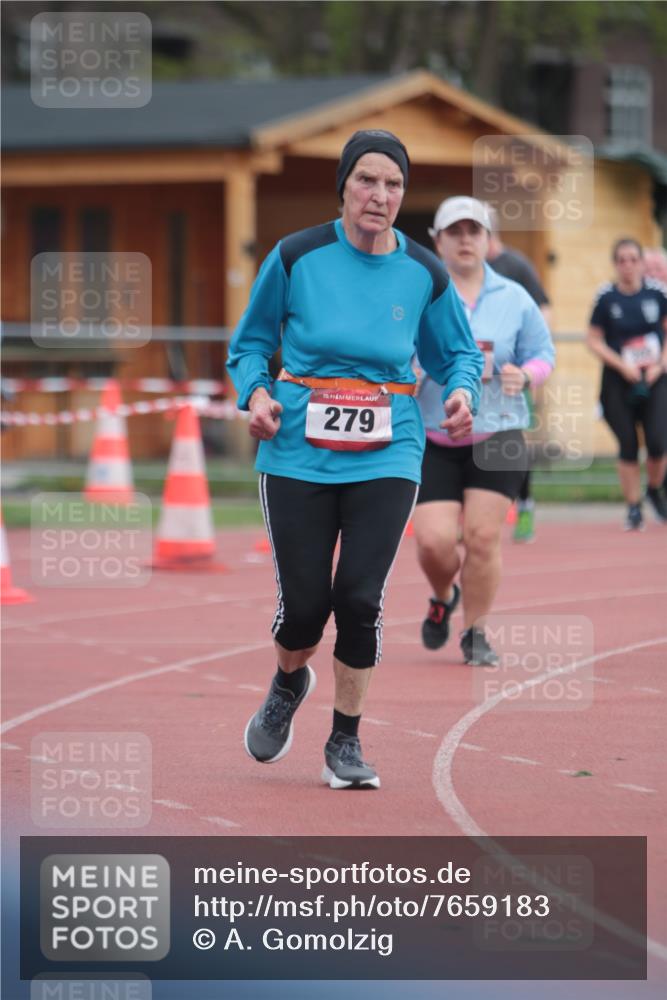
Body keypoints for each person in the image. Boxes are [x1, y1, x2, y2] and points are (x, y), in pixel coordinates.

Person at [226, 131, 483, 789]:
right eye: (367, 180)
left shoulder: (422, 272)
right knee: (306, 609)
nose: (379, 195)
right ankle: (288, 681)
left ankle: (345, 743)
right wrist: (255, 393)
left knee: (360, 598)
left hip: (388, 449)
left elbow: (458, 353)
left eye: (392, 184)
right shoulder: (296, 256)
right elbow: (250, 344)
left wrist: (459, 391)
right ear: (343, 186)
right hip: (295, 451)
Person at [414, 197, 555, 666]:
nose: (466, 240)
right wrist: (408, 373)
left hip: (498, 434)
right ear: (438, 241)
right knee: (433, 542)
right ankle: (442, 595)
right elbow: (394, 352)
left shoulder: (514, 297)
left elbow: (543, 353)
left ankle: (475, 633)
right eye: (455, 232)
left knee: (481, 537)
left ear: (489, 239)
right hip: (434, 433)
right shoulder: (421, 294)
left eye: (475, 231)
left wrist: (527, 375)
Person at [586, 238, 667, 530]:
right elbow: (593, 339)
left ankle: (654, 489)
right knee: (628, 443)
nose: (628, 265)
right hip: (619, 380)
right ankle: (633, 507)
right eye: (622, 259)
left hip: (655, 378)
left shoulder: (657, 294)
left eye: (633, 259)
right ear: (615, 264)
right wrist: (622, 365)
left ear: (642, 263)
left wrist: (659, 366)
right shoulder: (607, 298)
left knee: (658, 441)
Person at [485, 205, 552, 543]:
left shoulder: (515, 266)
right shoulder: (457, 270)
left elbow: (543, 310)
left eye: (474, 230)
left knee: (512, 443)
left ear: (489, 232)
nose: (465, 239)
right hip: (473, 374)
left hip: (510, 374)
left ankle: (524, 504)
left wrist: (530, 363)